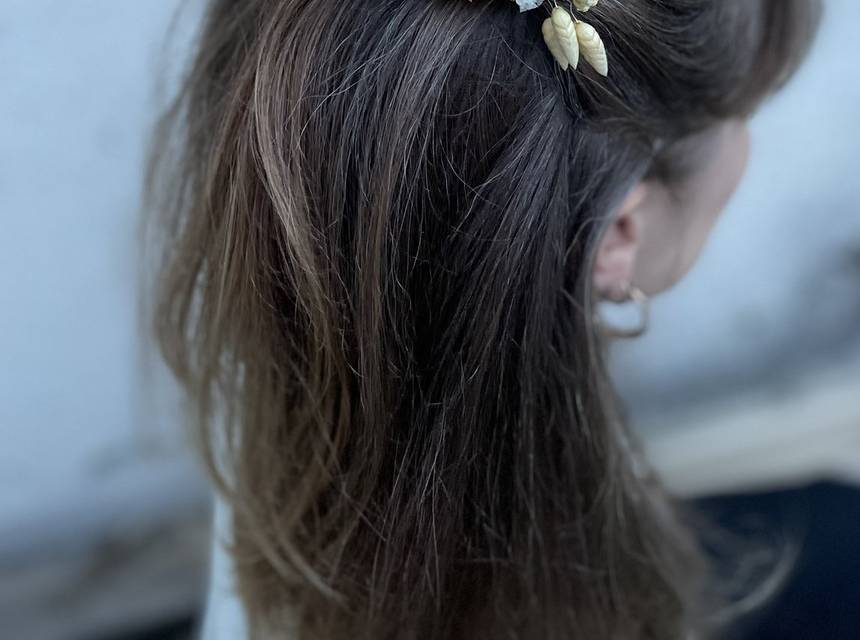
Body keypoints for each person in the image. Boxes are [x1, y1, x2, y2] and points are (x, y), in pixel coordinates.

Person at [145, 1, 820, 638]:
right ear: (618, 234)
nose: (746, 146)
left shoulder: (283, 336)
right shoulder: (568, 601)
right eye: (744, 113)